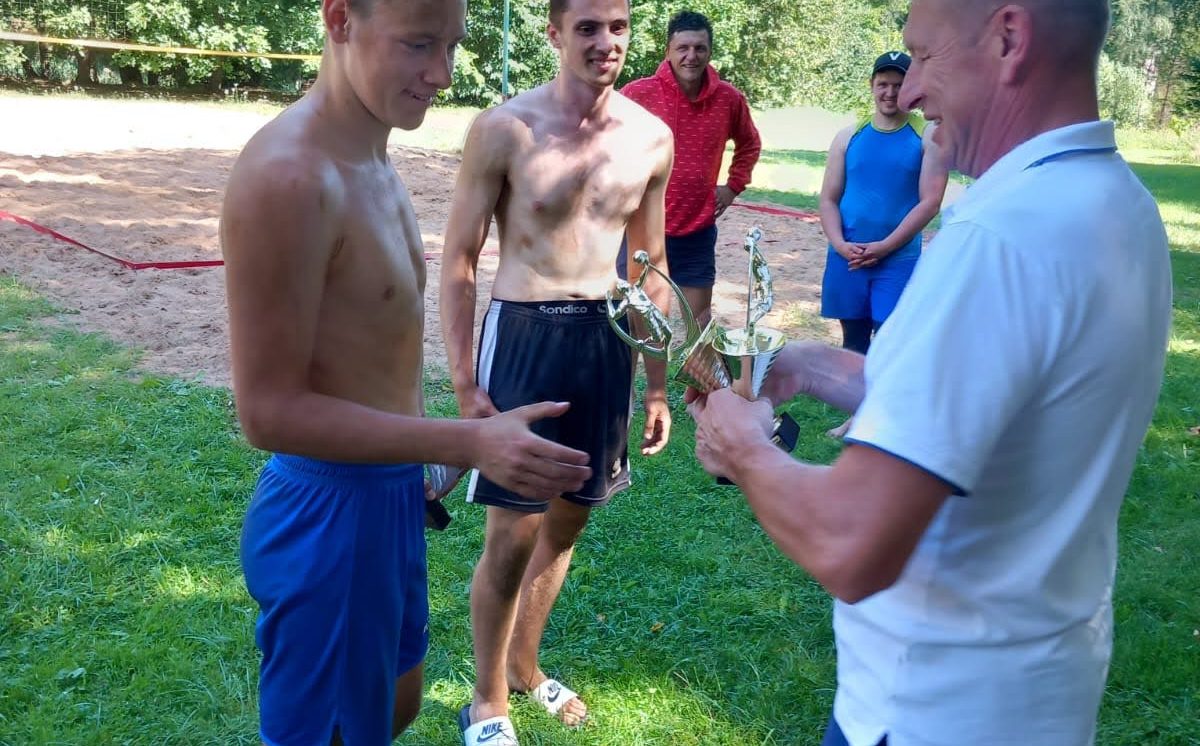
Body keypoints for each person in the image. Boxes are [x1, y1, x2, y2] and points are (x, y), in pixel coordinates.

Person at [688, 1, 1172, 744]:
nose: (909, 90)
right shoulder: (1116, 203)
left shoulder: (1002, 238)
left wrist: (742, 447)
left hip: (926, 709)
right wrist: (808, 364)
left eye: (924, 55)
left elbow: (852, 543)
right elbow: (988, 404)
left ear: (1009, 38)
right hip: (1037, 693)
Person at [220, 0, 594, 743]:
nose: (443, 74)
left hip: (389, 495)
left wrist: (430, 451)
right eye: (420, 44)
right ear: (340, 19)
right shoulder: (289, 176)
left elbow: (370, 345)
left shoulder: (371, 154)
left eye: (452, 44)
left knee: (394, 708)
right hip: (330, 521)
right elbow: (266, 412)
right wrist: (466, 443)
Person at [439, 0, 674, 743]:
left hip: (606, 339)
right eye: (587, 28)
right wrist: (464, 382)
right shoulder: (504, 129)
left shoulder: (651, 138)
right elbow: (458, 258)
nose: (606, 43)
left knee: (570, 517)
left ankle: (524, 664)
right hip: (526, 334)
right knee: (513, 532)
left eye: (618, 27)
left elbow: (650, 265)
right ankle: (487, 701)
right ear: (553, 33)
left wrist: (657, 381)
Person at [818, 50, 948, 438]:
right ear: (872, 86)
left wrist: (886, 246)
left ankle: (884, 416)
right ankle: (858, 414)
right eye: (883, 84)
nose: (890, 93)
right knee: (854, 337)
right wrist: (840, 244)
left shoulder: (928, 136)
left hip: (896, 259)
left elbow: (930, 202)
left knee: (890, 338)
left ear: (911, 88)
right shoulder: (848, 136)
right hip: (849, 257)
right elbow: (828, 198)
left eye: (898, 85)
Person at [619, 9, 761, 325]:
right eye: (682, 48)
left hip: (697, 230)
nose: (691, 56)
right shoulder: (638, 94)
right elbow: (604, 142)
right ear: (668, 51)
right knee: (638, 324)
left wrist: (732, 186)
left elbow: (750, 143)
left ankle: (698, 363)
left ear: (709, 52)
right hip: (641, 228)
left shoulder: (728, 99)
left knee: (700, 323)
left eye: (699, 48)